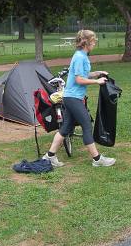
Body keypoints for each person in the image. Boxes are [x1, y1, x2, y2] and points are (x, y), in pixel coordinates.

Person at [42, 30, 117, 167]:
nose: (94, 44)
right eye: (93, 41)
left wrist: (97, 73)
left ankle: (49, 156)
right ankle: (97, 159)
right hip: (73, 98)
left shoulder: (82, 56)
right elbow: (79, 79)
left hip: (72, 97)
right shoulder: (80, 57)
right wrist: (97, 82)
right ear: (87, 43)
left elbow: (84, 74)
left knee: (65, 128)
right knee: (87, 127)